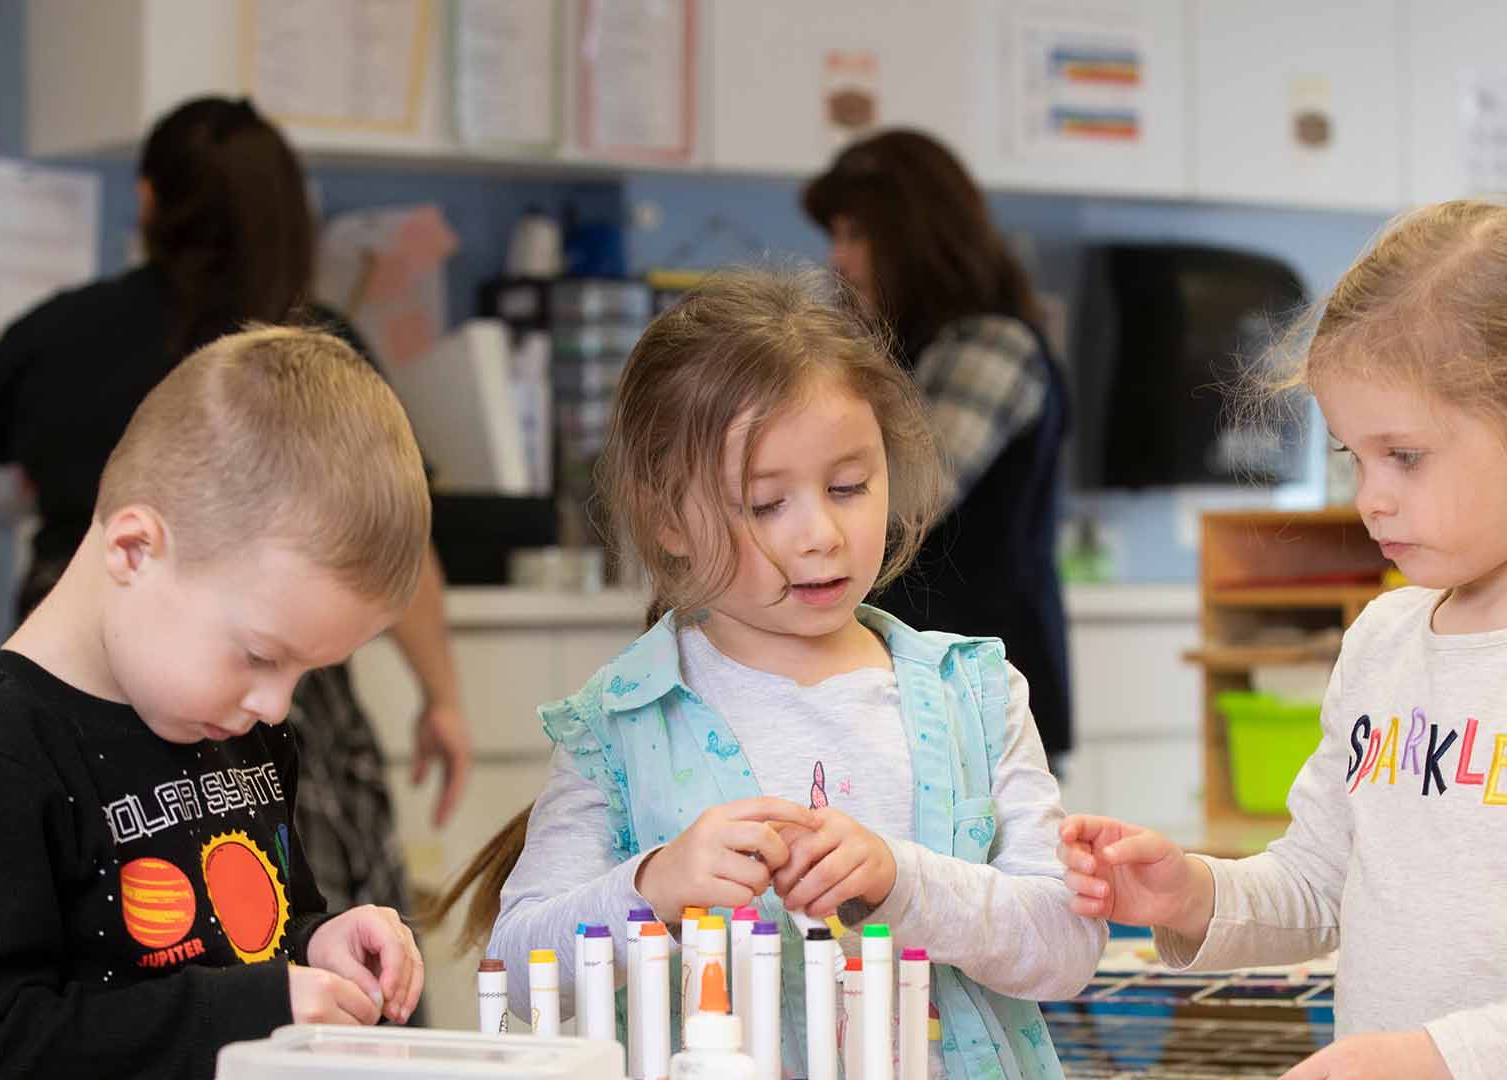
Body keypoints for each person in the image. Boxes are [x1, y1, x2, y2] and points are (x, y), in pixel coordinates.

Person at [1058, 200, 1507, 1080]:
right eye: (1353, 456)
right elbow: (1316, 880)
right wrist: (1194, 893)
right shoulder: (1383, 637)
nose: (1370, 496)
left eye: (1404, 457)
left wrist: (1436, 1059)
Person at [436, 267, 1102, 1077]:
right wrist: (655, 885)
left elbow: (1068, 950)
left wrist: (903, 881)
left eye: (849, 486)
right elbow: (512, 963)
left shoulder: (977, 694)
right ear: (667, 520)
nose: (821, 533)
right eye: (764, 503)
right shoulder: (617, 724)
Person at [0, 96, 471, 918]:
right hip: (137, 663)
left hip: (120, 652)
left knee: (289, 926)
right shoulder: (314, 351)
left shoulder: (61, 334)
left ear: (149, 201)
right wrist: (442, 695)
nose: (276, 702)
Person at [0, 328, 428, 1076]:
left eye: (307, 673)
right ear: (135, 550)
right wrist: (257, 1010)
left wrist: (317, 947)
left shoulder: (235, 724)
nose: (275, 705)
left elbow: (254, 941)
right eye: (263, 655)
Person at [802, 128, 1074, 762]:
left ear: (915, 237)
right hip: (918, 688)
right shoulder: (908, 350)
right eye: (836, 236)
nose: (838, 258)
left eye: (855, 236)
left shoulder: (989, 347)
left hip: (976, 694)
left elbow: (902, 497)